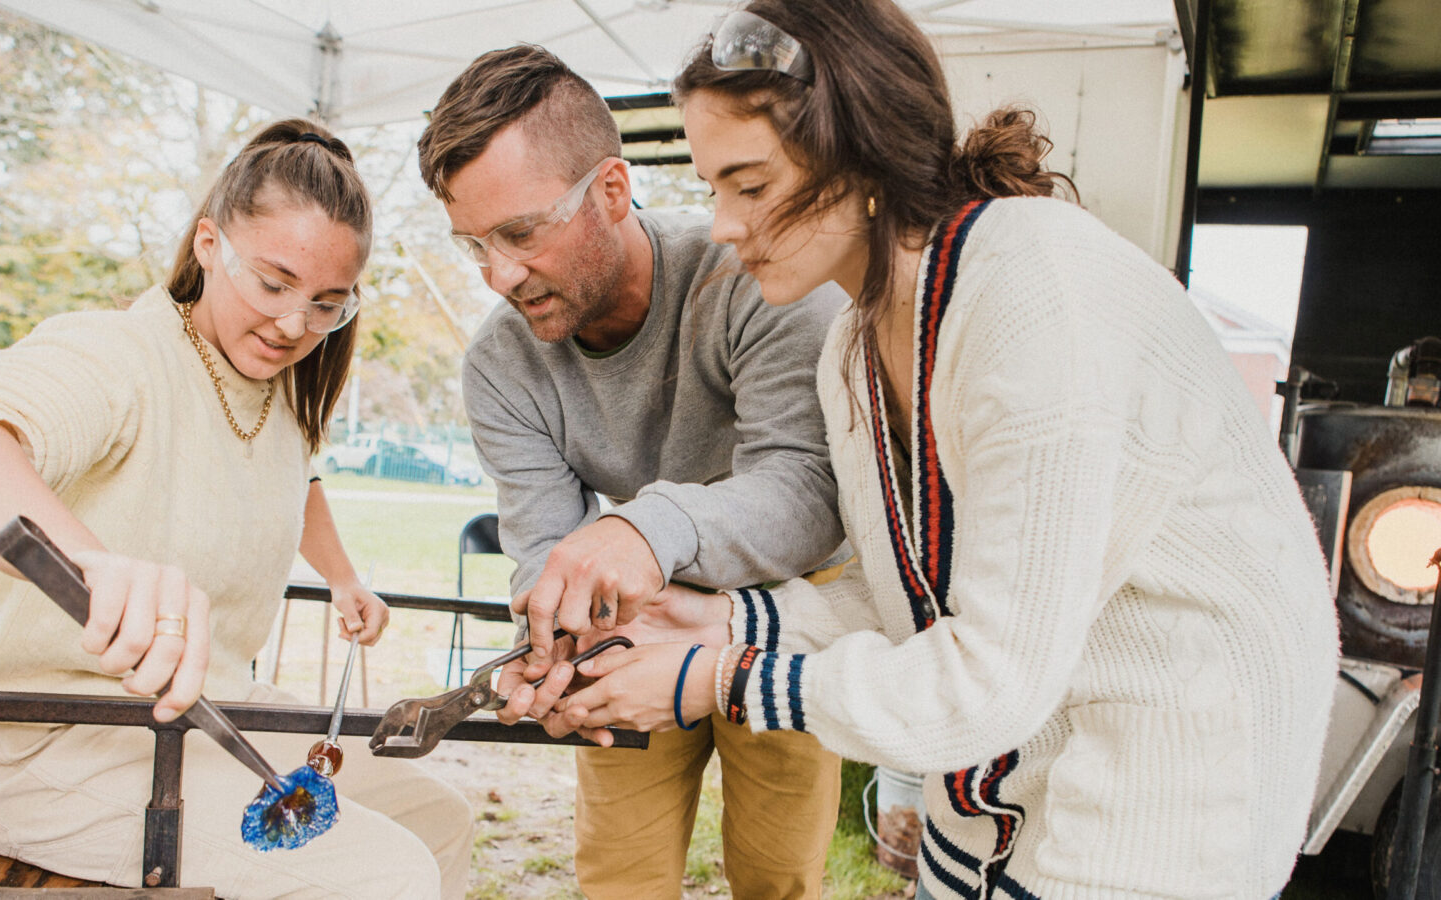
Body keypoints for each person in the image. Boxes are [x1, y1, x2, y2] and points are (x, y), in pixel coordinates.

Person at [543, 3, 1343, 898]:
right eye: (713, 188)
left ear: (866, 154)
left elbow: (992, 675)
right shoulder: (854, 338)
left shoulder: (1035, 297)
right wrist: (729, 622)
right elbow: (913, 600)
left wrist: (719, 681)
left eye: (752, 186)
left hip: (1167, 781)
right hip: (1006, 775)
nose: (723, 225)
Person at [0, 118, 472, 899]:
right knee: (383, 873)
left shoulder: (277, 394)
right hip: (47, 741)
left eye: (327, 304)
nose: (294, 325)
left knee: (438, 818)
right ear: (209, 244)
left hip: (201, 718)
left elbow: (292, 483)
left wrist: (344, 578)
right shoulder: (120, 354)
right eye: (273, 284)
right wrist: (93, 566)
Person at [417, 45, 848, 899]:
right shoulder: (500, 366)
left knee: (779, 876)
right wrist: (552, 643)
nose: (498, 276)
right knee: (618, 875)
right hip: (628, 618)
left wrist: (643, 526)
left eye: (520, 232)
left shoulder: (754, 281)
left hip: (781, 612)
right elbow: (543, 542)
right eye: (474, 245)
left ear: (611, 191)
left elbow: (808, 490)